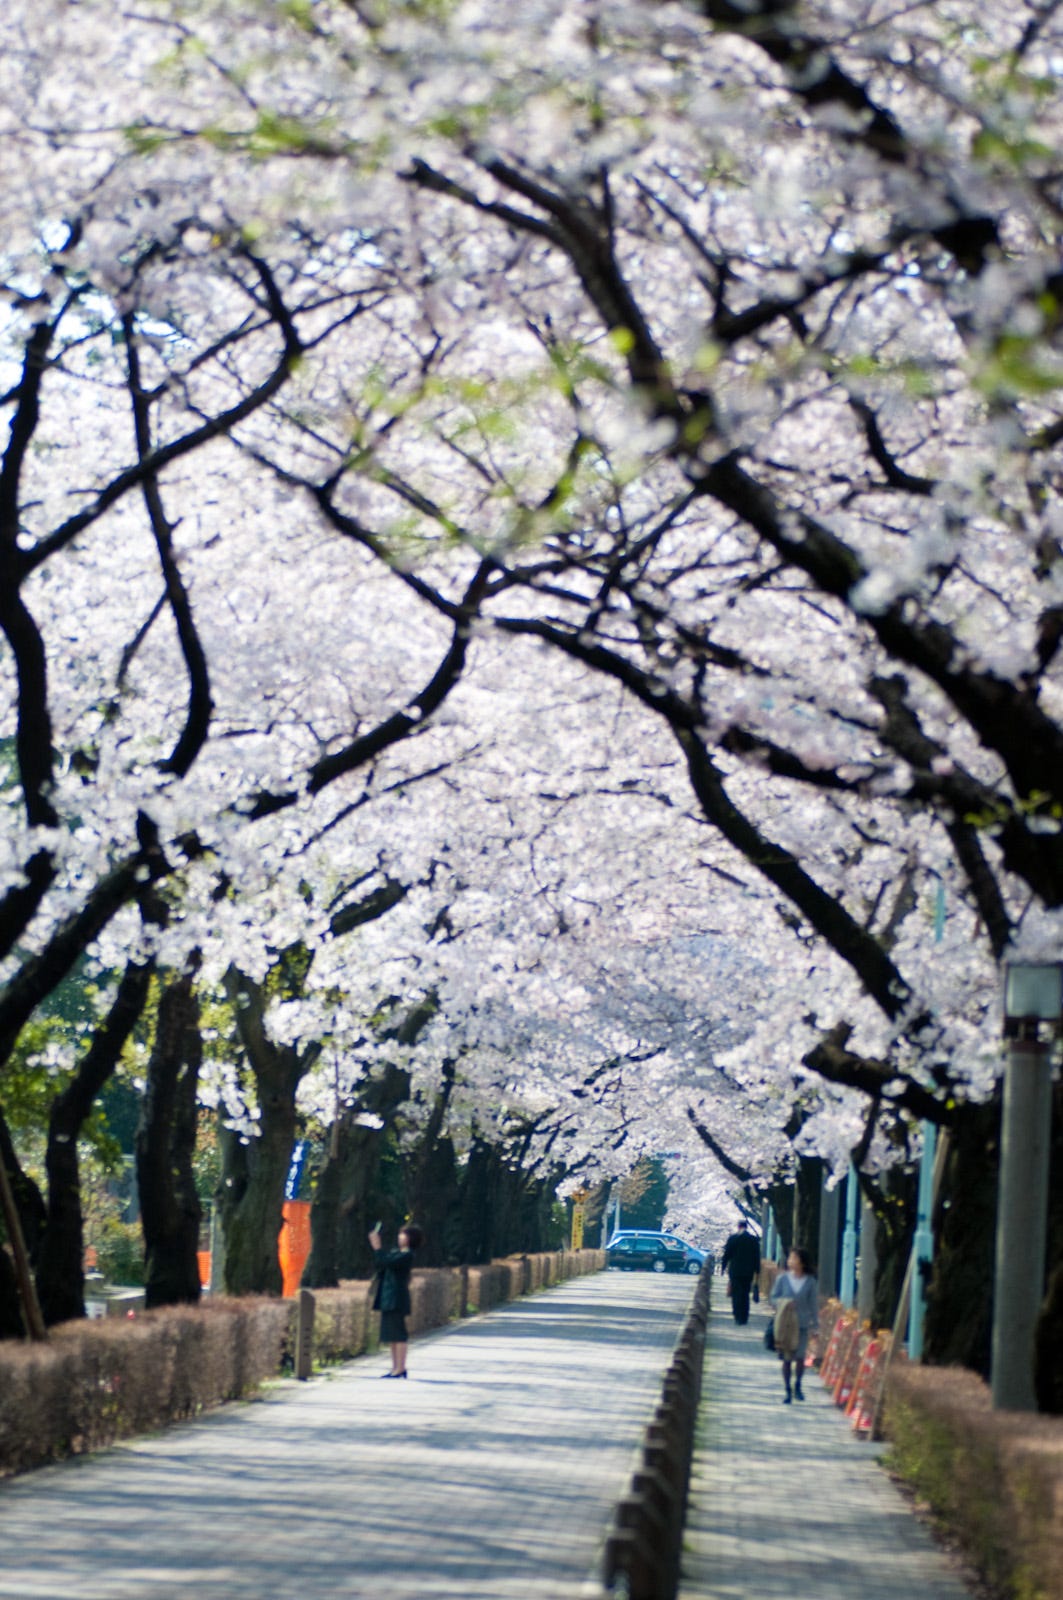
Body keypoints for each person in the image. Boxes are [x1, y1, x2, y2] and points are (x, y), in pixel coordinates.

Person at [369, 1222, 424, 1378]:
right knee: (391, 1335)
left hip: (396, 1298)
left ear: (410, 1238)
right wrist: (378, 1251)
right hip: (388, 1297)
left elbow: (388, 1261)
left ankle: (401, 1367)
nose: (400, 1237)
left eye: (403, 1234)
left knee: (399, 1334)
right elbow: (381, 1263)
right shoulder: (397, 1252)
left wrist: (377, 1247)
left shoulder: (407, 1255)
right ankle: (395, 1367)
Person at [770, 1246, 818, 1403]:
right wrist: (784, 1303)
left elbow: (813, 1305)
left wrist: (815, 1325)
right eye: (790, 1258)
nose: (791, 1261)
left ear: (802, 1262)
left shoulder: (810, 1282)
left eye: (794, 1258)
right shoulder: (782, 1279)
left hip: (802, 1325)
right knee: (786, 1359)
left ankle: (798, 1384)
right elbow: (773, 1298)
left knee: (800, 1357)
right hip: (785, 1325)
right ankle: (787, 1390)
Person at [720, 1219, 761, 1325]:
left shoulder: (733, 1239)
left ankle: (737, 1315)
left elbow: (727, 1254)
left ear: (738, 1227)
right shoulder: (753, 1240)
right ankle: (744, 1316)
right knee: (745, 1293)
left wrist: (723, 1267)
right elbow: (757, 1256)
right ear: (746, 1227)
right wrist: (757, 1270)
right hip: (748, 1272)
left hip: (735, 1271)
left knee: (736, 1293)